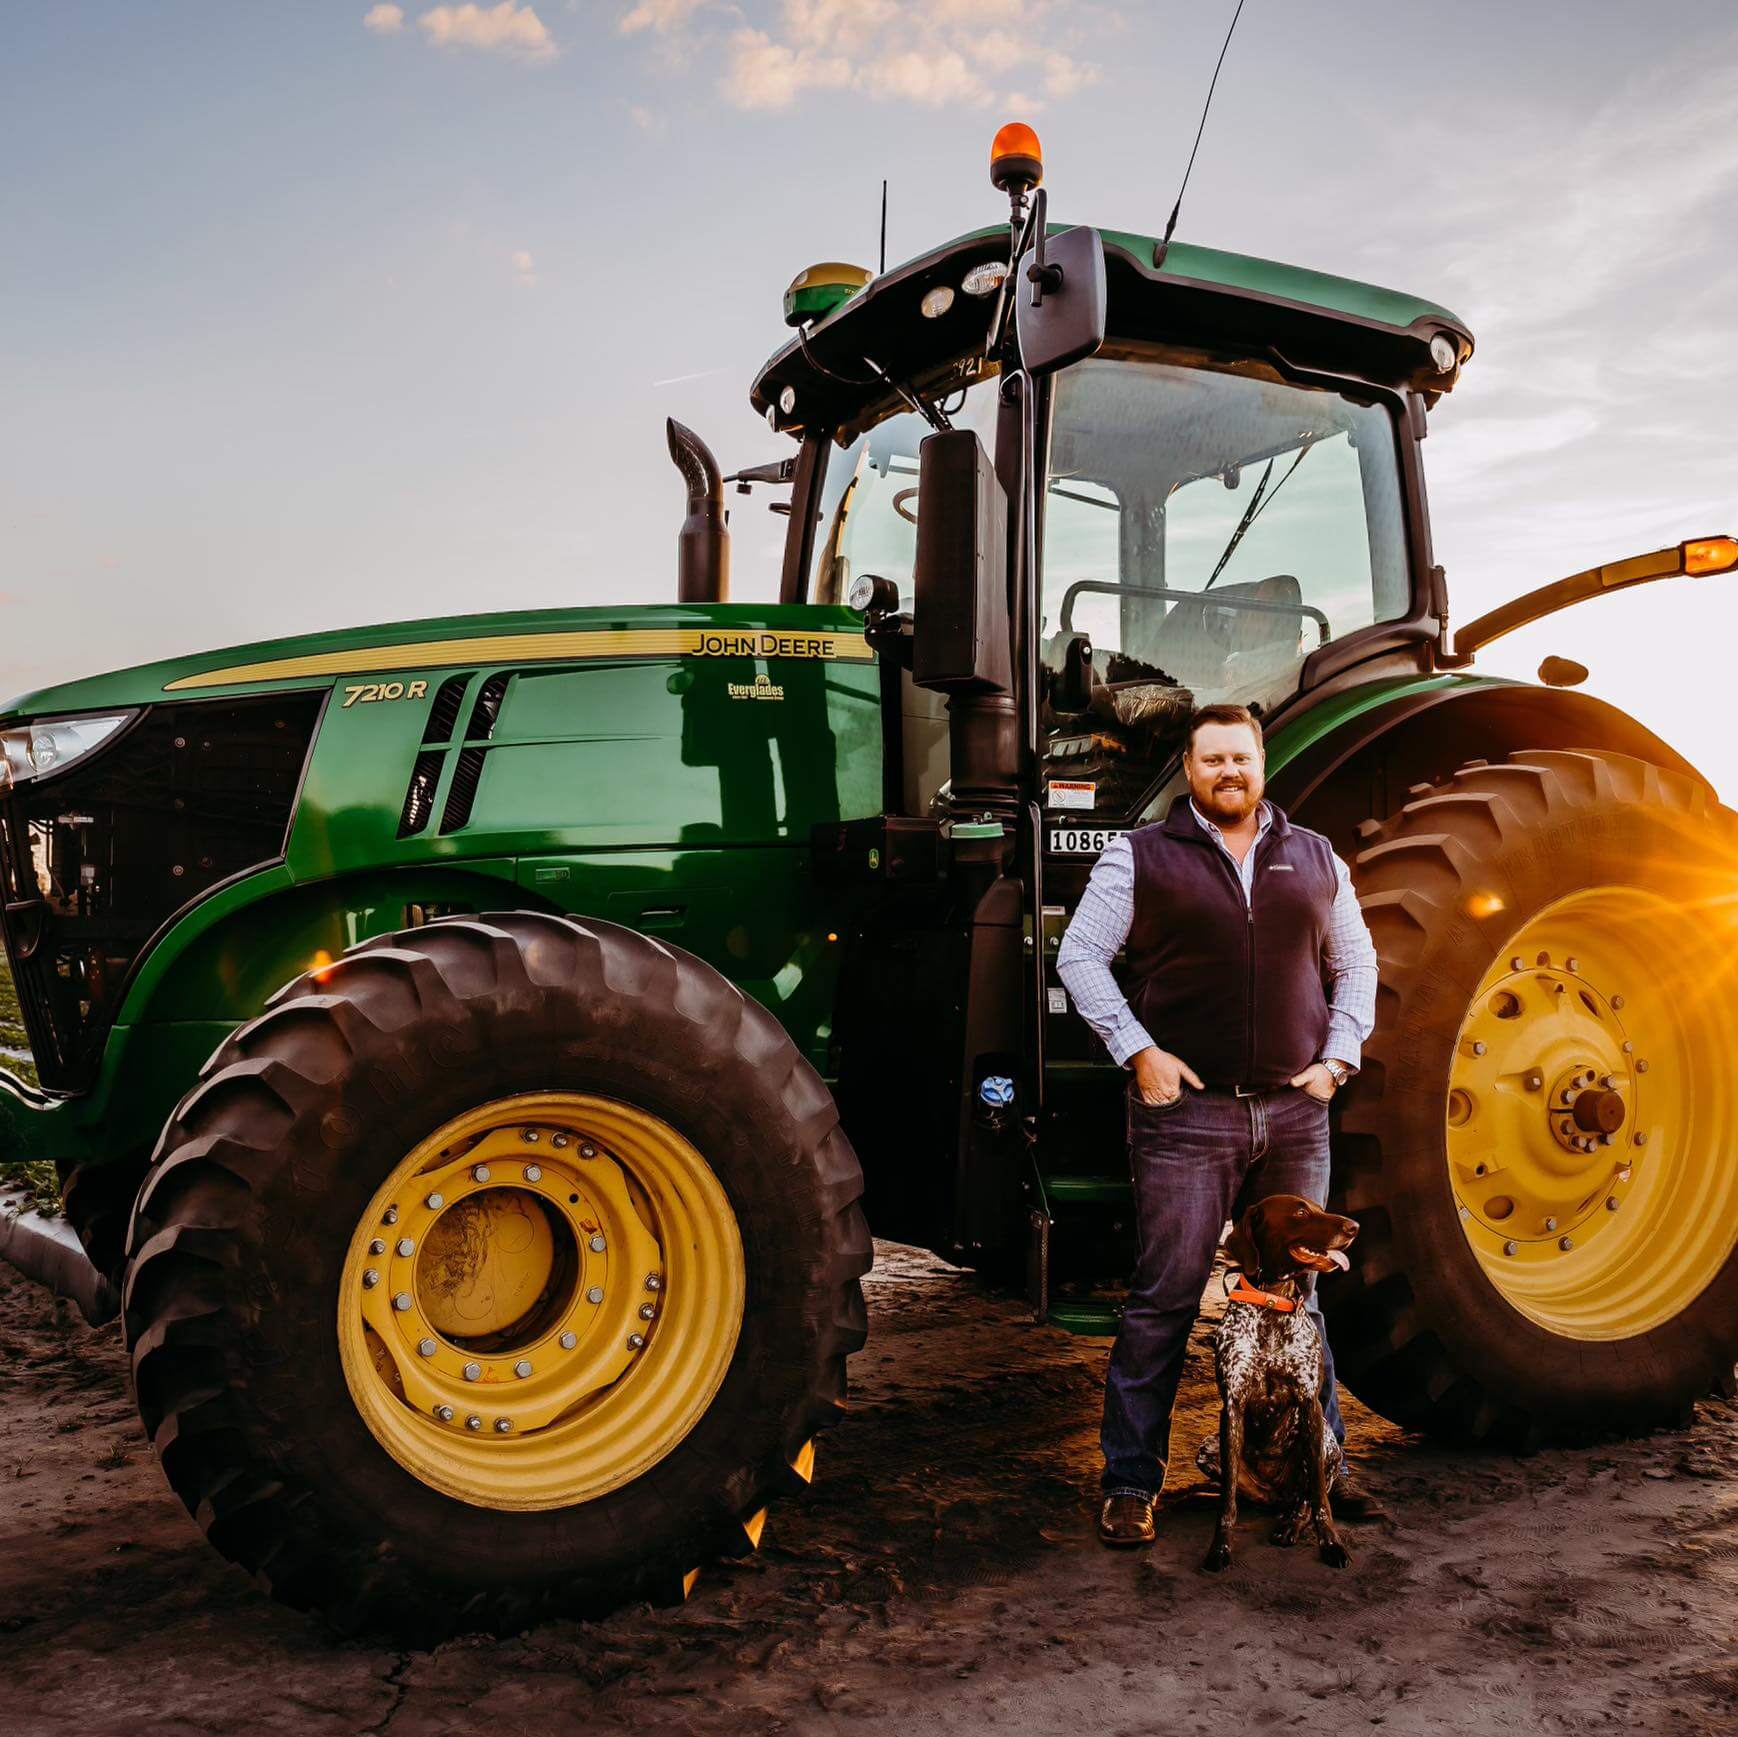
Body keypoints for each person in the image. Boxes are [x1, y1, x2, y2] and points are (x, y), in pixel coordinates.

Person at [1056, 702, 1382, 1548]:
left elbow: (1357, 962)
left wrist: (1337, 1058)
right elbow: (1079, 954)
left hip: (1294, 1108)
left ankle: (1327, 1461)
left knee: (1300, 1294)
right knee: (1164, 1295)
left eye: (1241, 757)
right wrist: (1139, 1051)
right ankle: (1132, 1481)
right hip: (1186, 1116)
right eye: (1212, 761)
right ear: (1190, 770)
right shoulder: (1142, 855)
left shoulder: (1315, 856)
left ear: (1261, 763)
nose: (1228, 772)